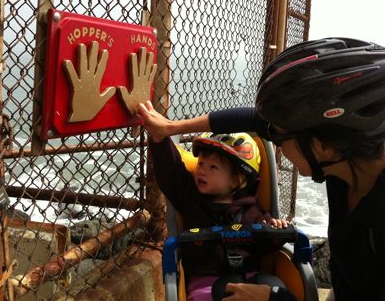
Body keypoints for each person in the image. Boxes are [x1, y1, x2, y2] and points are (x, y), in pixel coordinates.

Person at [138, 37, 385, 300]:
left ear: (322, 146)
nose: (273, 142)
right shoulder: (347, 160)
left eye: (278, 138)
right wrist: (171, 128)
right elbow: (255, 119)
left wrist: (275, 298)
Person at [148, 128, 291, 301]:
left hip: (248, 279)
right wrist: (159, 140)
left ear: (236, 180)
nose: (202, 171)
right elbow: (171, 172)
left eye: (213, 167)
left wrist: (276, 229)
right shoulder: (191, 199)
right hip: (204, 284)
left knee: (275, 287)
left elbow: (266, 246)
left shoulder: (251, 209)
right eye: (200, 163)